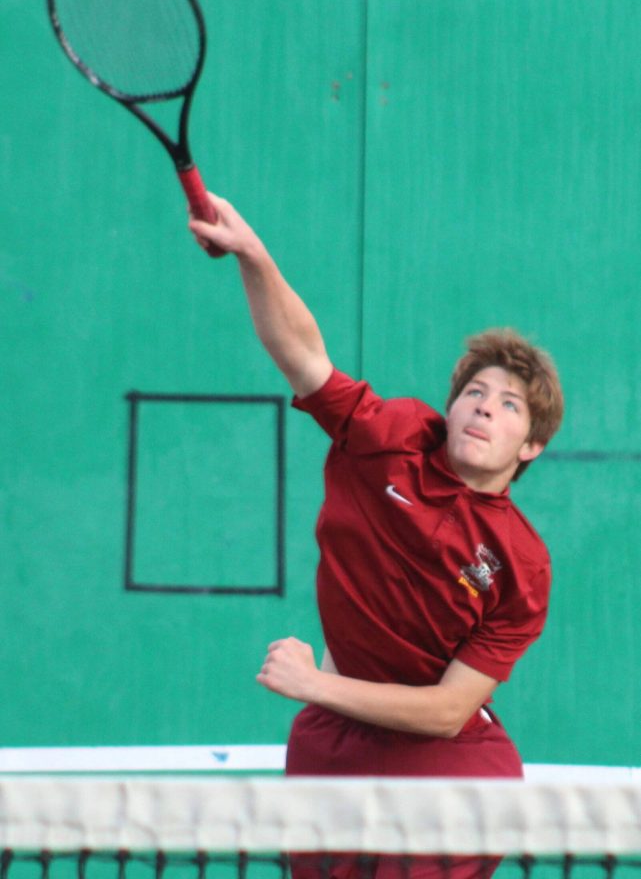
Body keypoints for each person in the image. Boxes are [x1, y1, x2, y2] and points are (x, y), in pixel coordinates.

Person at [190, 195, 564, 879]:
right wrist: (253, 255)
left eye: (509, 405)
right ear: (450, 408)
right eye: (475, 392)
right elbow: (303, 355)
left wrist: (311, 683)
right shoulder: (387, 439)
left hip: (447, 767)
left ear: (531, 445)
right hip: (332, 746)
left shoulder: (521, 564)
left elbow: (451, 711)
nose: (485, 406)